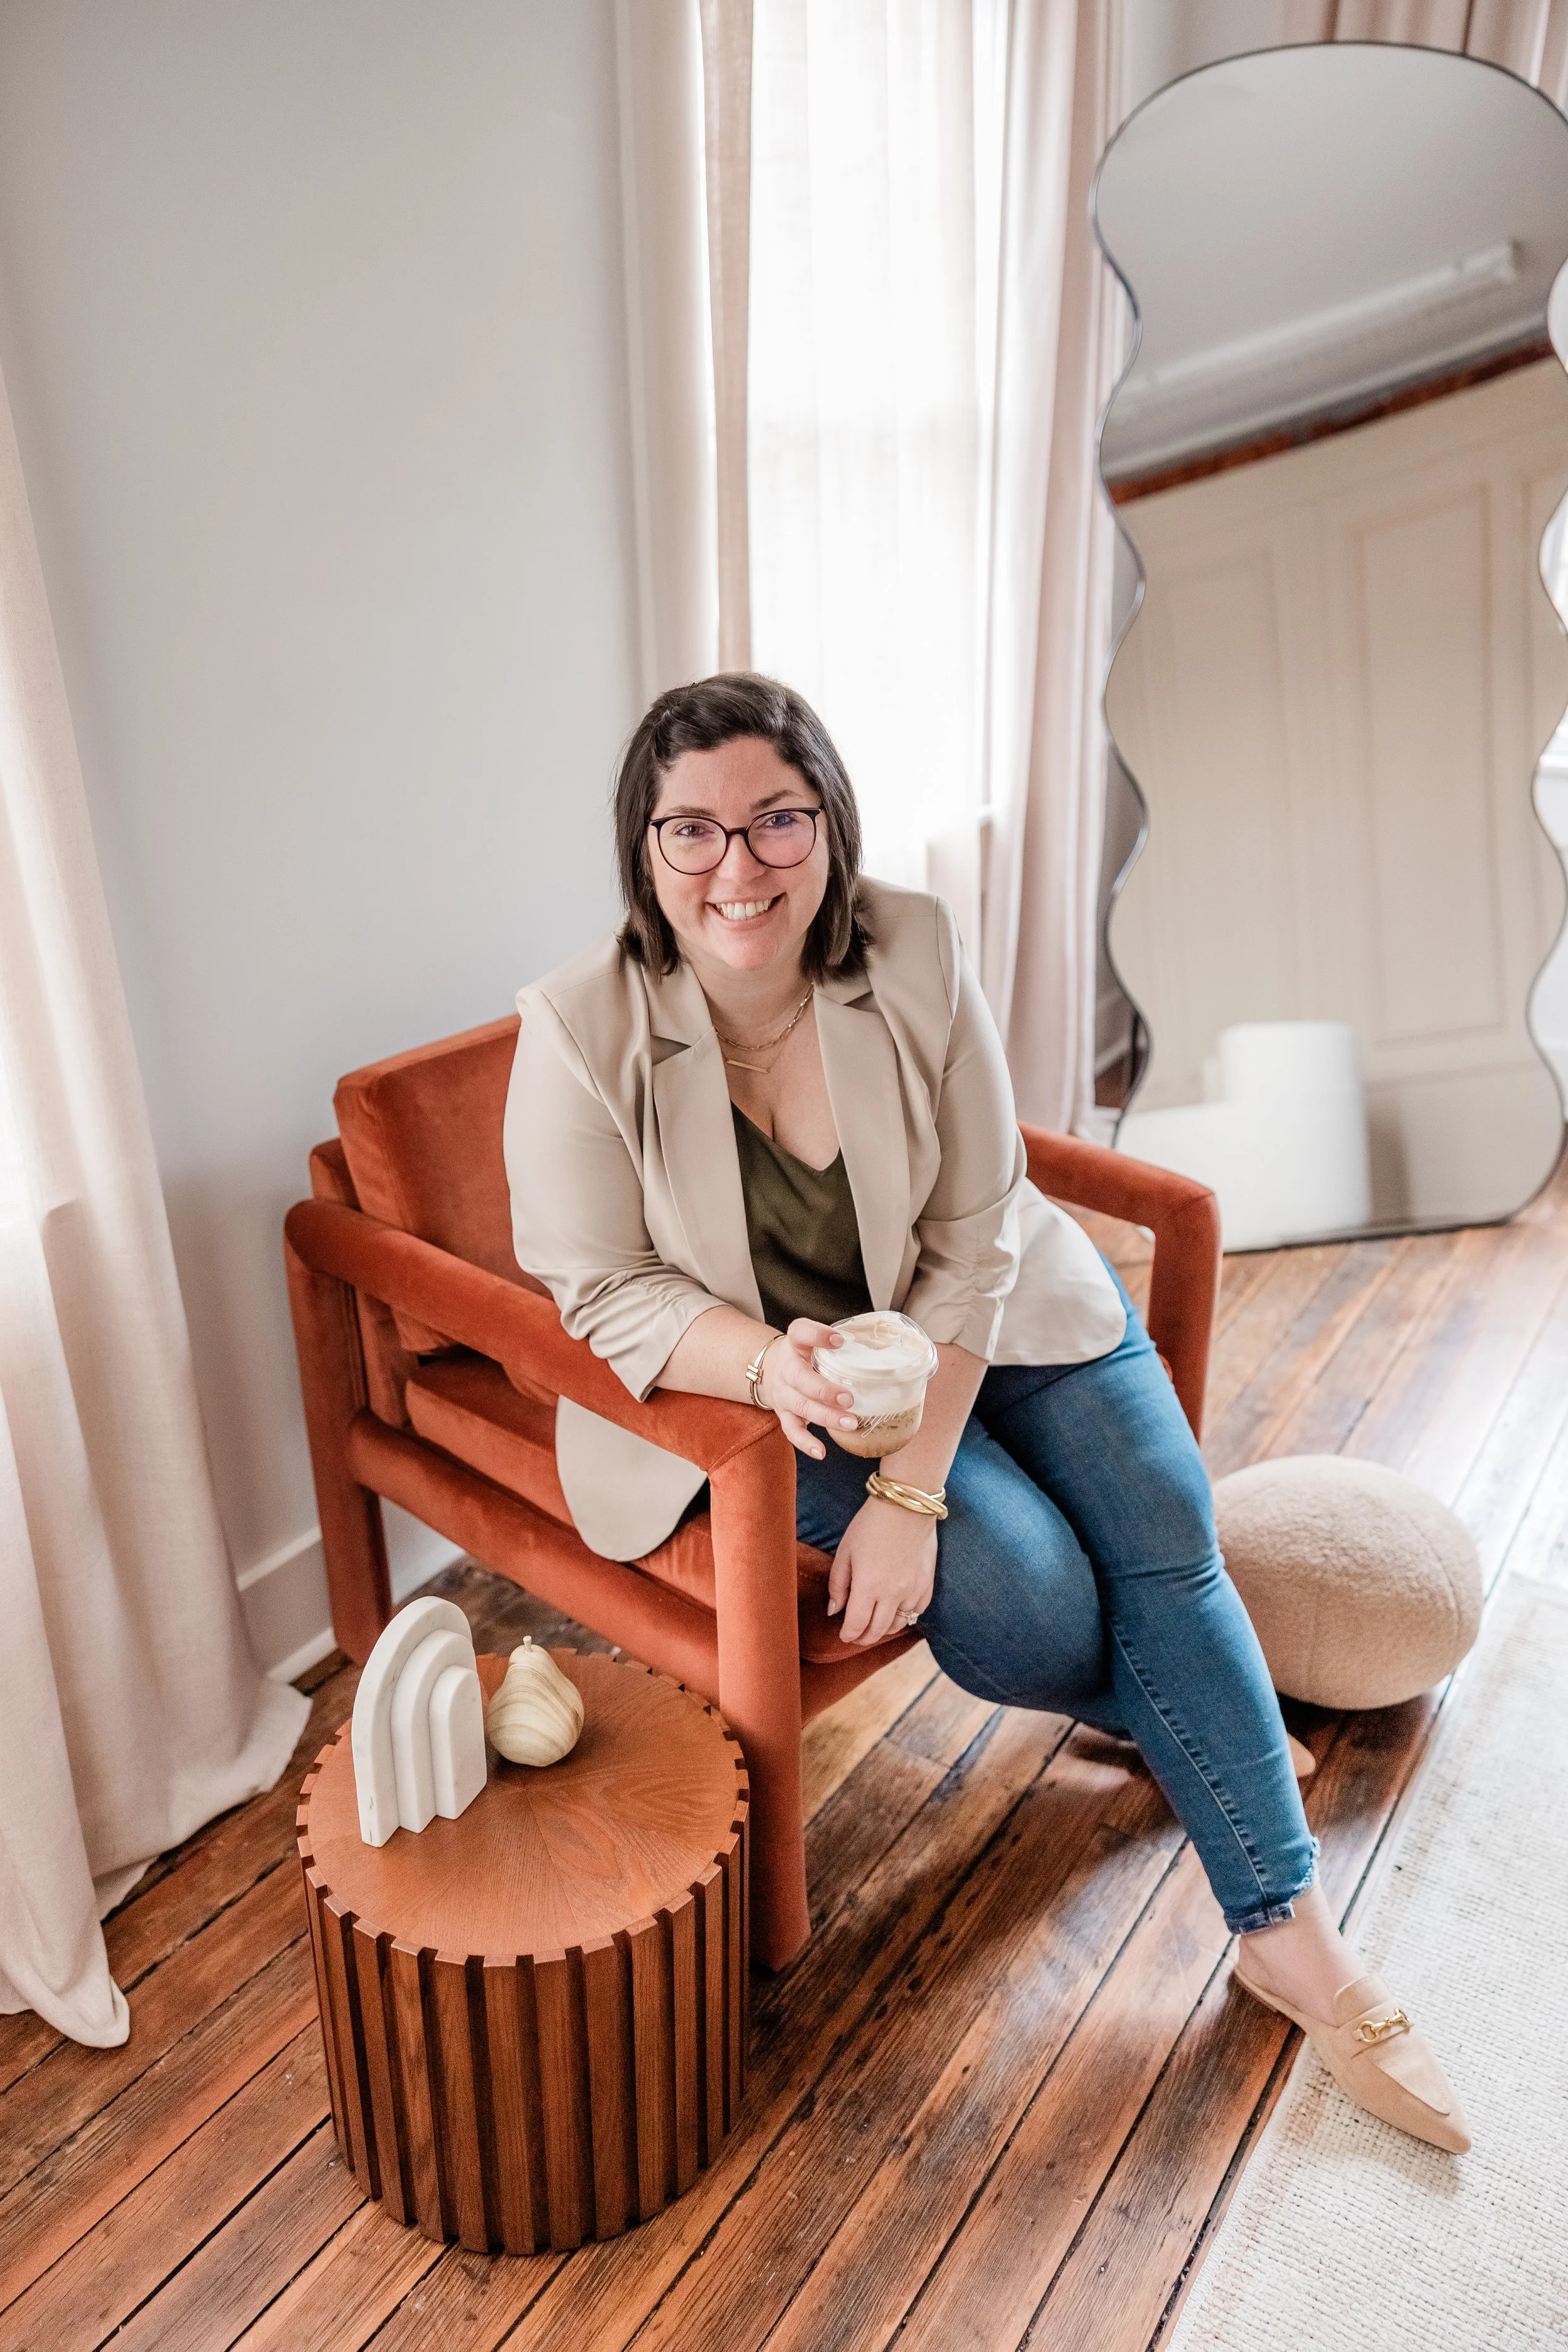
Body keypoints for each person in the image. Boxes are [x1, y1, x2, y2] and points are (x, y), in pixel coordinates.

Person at [504, 672, 1467, 2155]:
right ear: (641, 848)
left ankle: (1288, 1938)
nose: (735, 867)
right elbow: (598, 1288)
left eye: (774, 820)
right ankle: (1177, 1709)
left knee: (1164, 1532)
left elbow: (969, 1226)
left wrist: (912, 1493)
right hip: (787, 1386)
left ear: (825, 821)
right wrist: (773, 1372)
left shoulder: (909, 945)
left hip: (995, 1308)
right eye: (687, 831)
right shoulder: (579, 1028)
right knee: (1022, 1601)